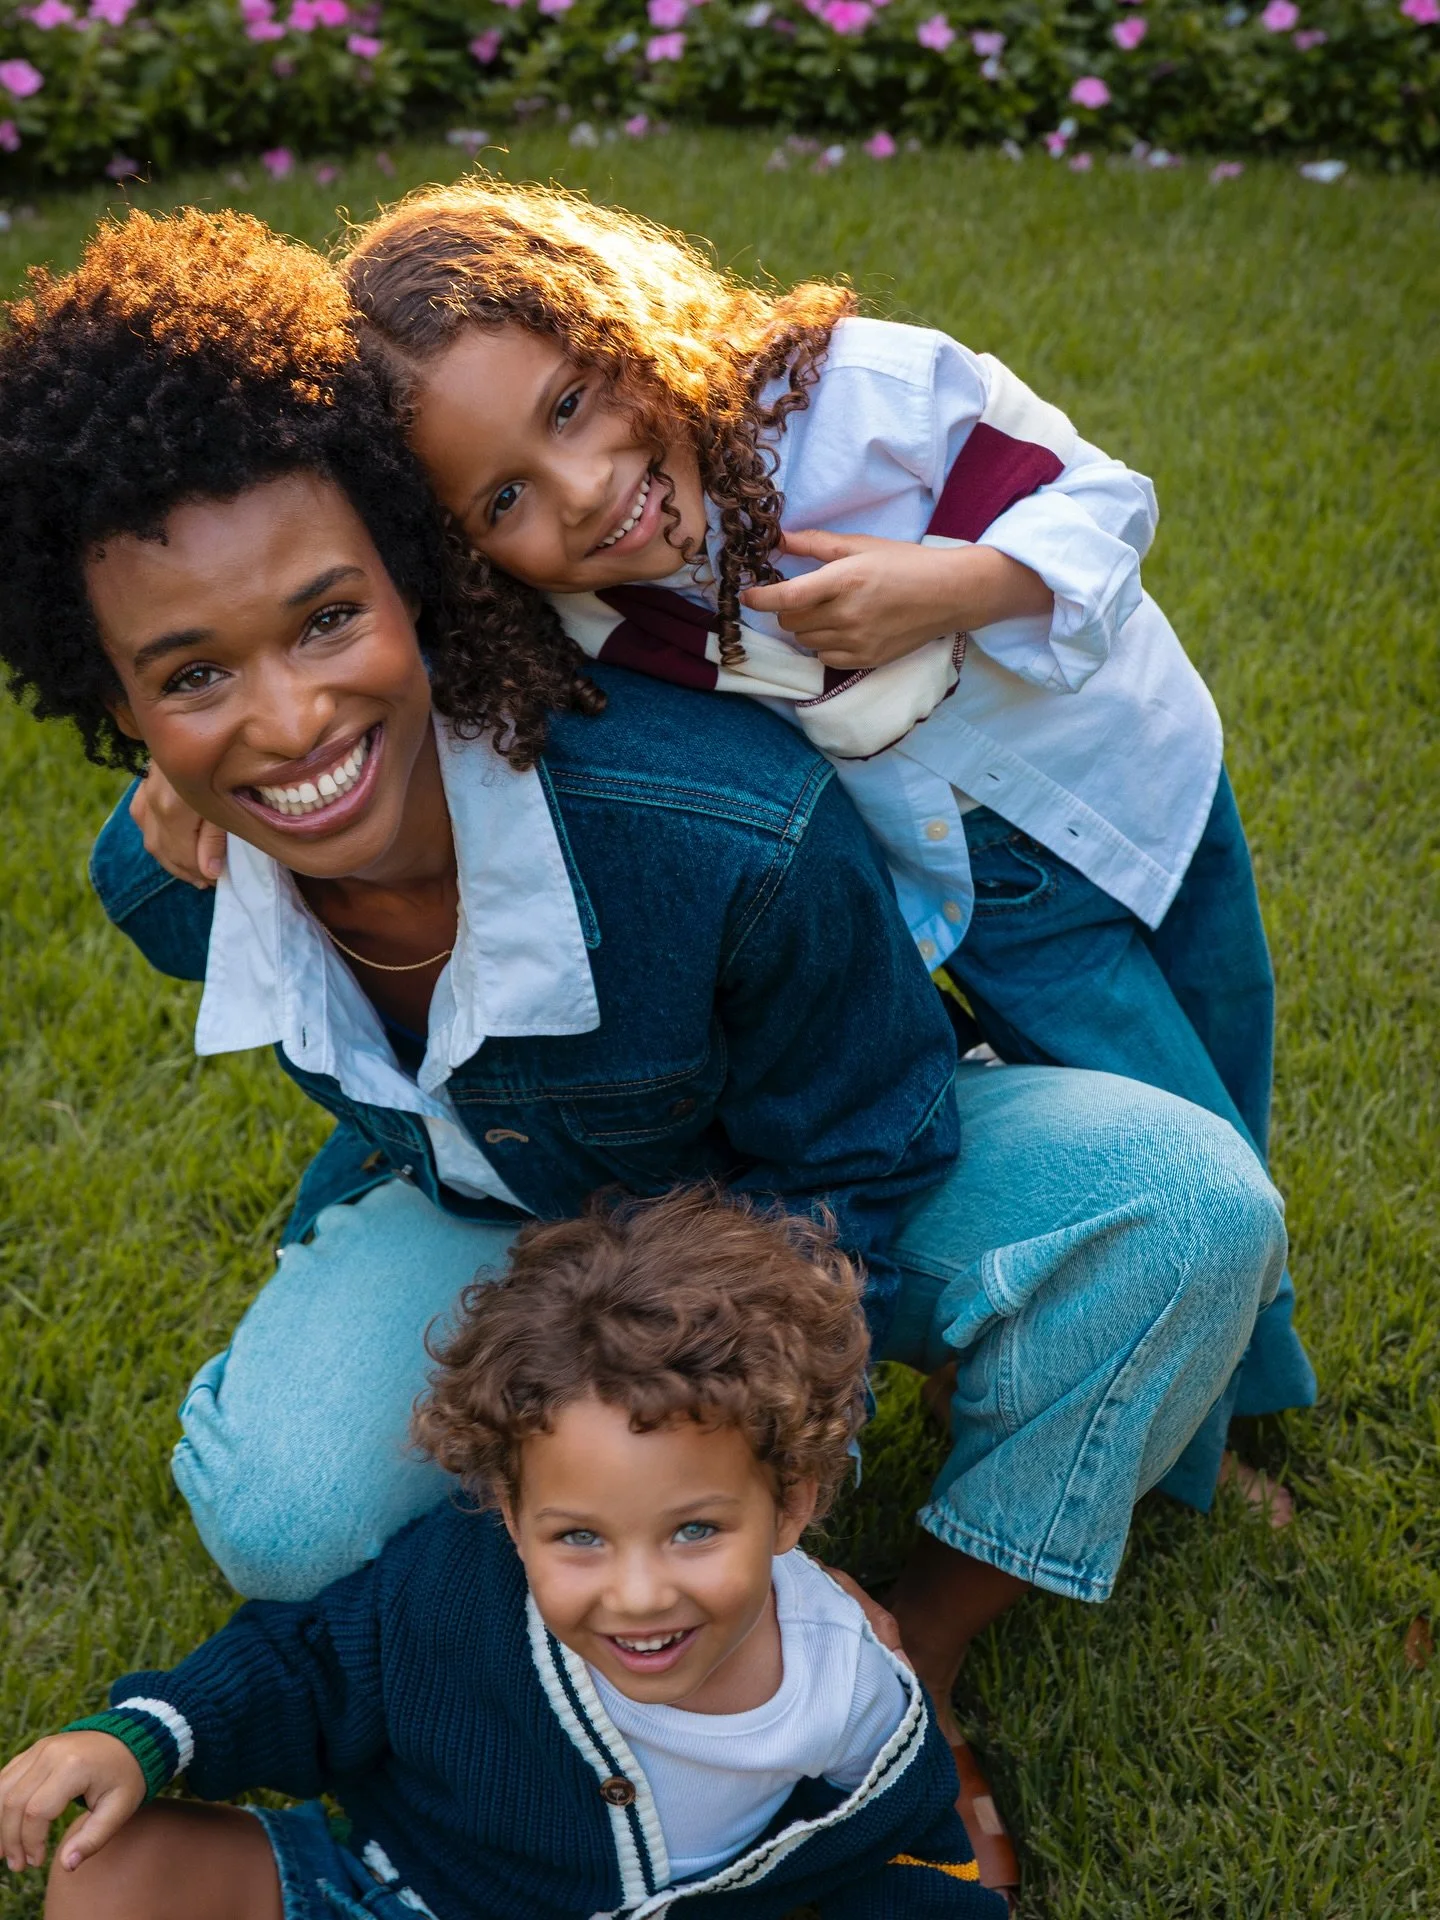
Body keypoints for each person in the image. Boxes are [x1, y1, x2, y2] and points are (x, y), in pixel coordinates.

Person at [0, 206, 1289, 1897]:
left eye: (328, 622)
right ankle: (522, 1641)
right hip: (504, 1217)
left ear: (421, 580)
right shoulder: (168, 877)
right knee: (293, 1512)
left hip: (804, 1177)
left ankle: (920, 1634)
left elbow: (873, 1143)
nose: (289, 722)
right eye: (191, 678)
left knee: (1187, 1204)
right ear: (120, 710)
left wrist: (752, 1427)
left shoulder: (725, 822)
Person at [135, 178, 1314, 1514]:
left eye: (574, 403)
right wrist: (193, 760)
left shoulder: (853, 404)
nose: (585, 497)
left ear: (621, 312)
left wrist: (955, 582)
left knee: (1233, 1050)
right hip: (989, 897)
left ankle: (1247, 1386)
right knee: (1180, 1115)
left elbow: (1092, 501)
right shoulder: (573, 622)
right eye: (504, 499)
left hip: (1137, 784)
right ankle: (1198, 1459)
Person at [0, 1190, 1008, 1920]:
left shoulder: (852, 1693)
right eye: (577, 1537)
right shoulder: (455, 1588)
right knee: (110, 1866)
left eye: (695, 1530)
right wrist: (144, 1738)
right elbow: (303, 1667)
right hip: (373, 1887)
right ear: (506, 1511)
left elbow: (911, 1855)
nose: (639, 1593)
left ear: (791, 1505)